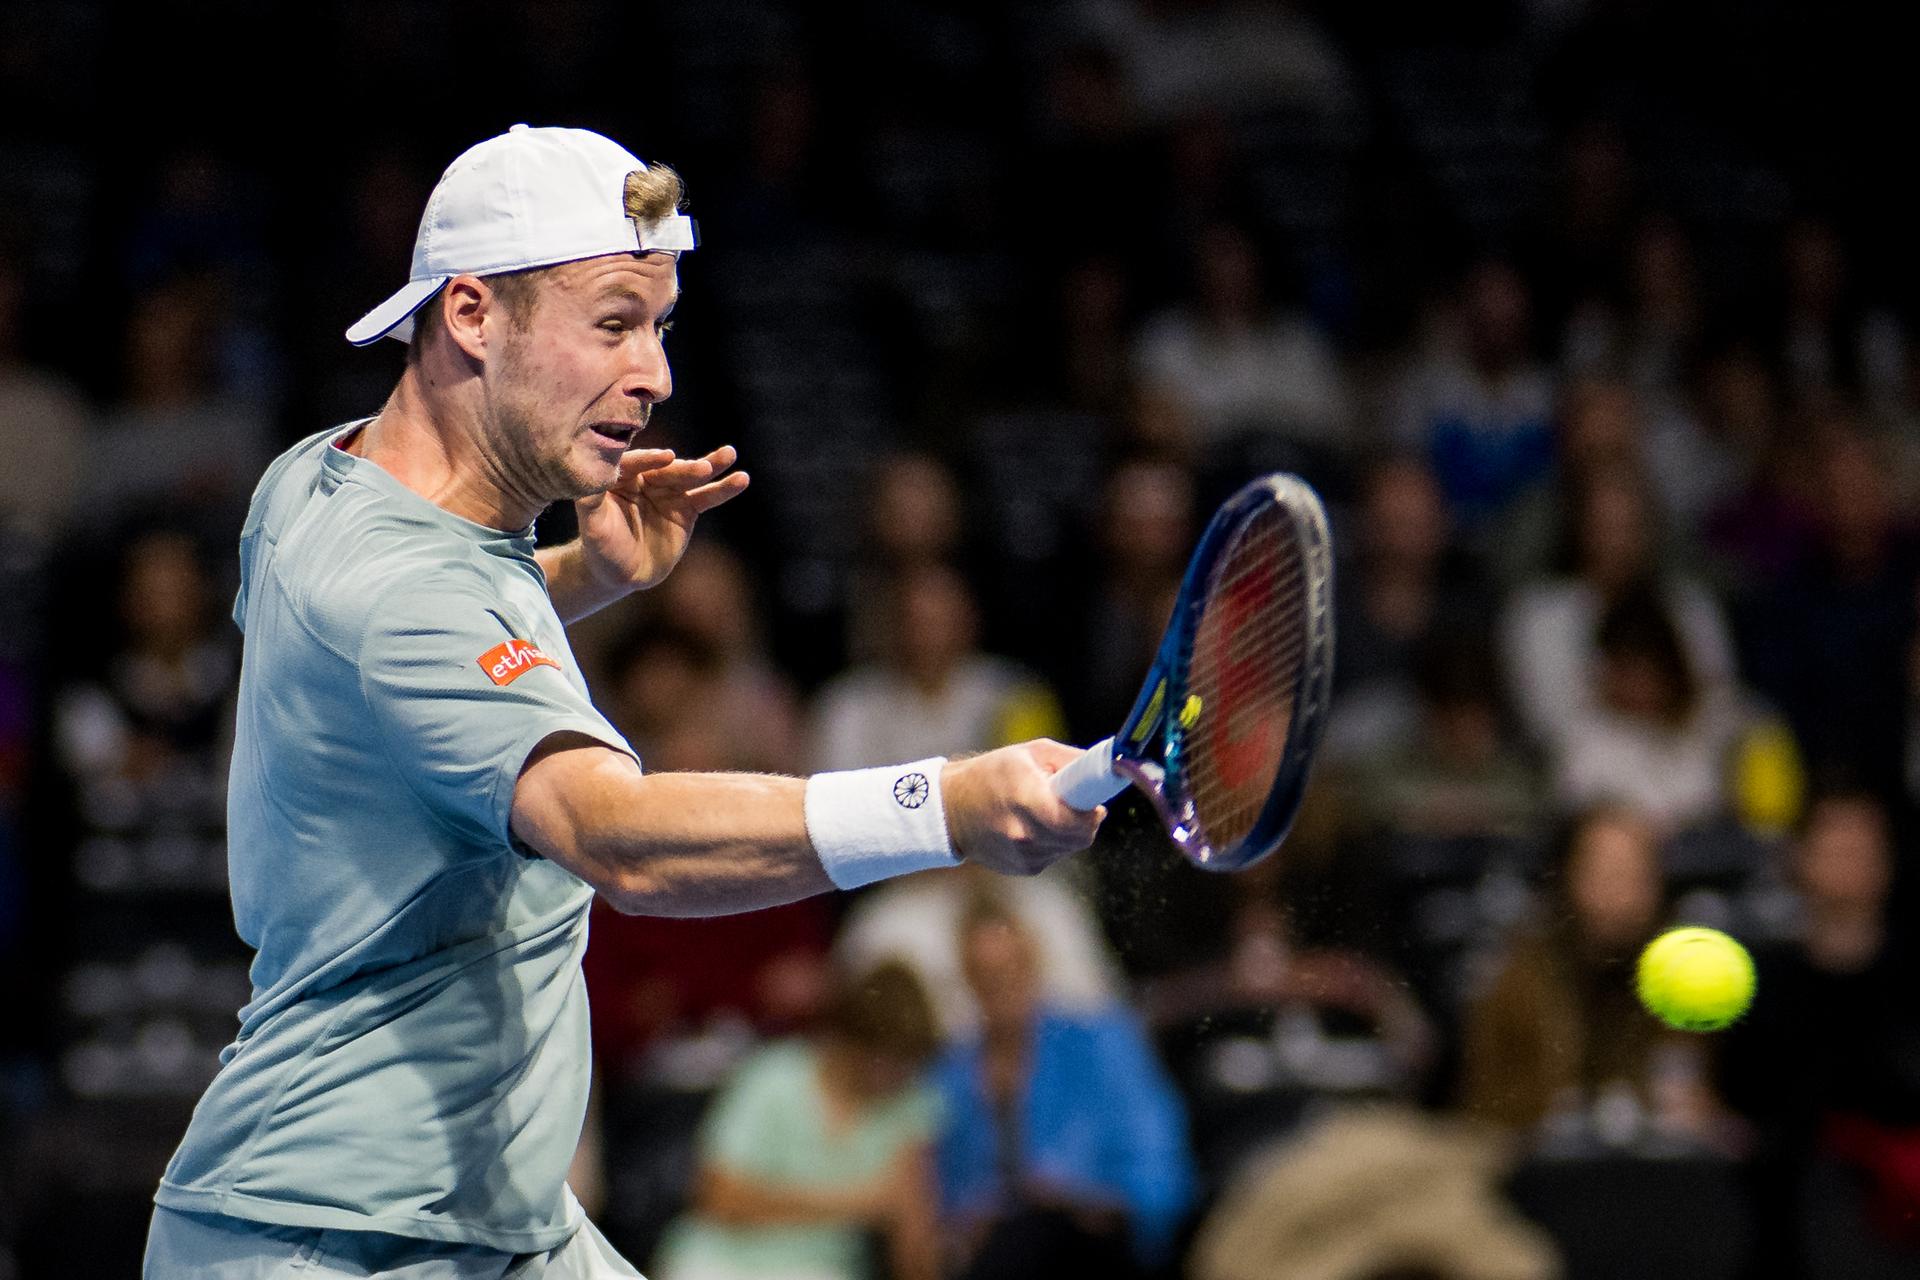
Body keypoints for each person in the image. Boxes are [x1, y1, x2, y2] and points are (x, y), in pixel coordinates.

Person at [141, 125, 1105, 1279]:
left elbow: (399, 649)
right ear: (471, 314)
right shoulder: (410, 594)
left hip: (490, 1226)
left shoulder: (313, 478)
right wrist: (942, 803)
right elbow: (617, 834)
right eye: (612, 323)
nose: (656, 374)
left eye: (660, 325)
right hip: (338, 1238)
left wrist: (584, 575)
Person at [932, 895, 1195, 1278]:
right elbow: (943, 1191)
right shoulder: (951, 1074)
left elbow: (1159, 1160)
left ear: (1033, 963)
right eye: (987, 977)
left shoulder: (1101, 1042)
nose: (1002, 988)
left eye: (1011, 970)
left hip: (1094, 1244)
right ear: (968, 980)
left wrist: (1087, 1200)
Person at [650, 961, 944, 1280]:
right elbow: (717, 1196)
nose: (891, 1076)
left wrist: (917, 1235)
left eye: (906, 1064)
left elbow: (912, 1249)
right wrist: (860, 1200)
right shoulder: (772, 1076)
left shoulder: (911, 1108)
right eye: (882, 1059)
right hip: (718, 1260)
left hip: (822, 1270)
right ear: (848, 1039)